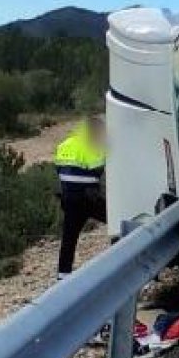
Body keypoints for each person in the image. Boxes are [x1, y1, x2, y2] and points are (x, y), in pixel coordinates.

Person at [54, 117, 107, 279]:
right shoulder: (92, 145)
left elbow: (58, 168)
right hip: (89, 198)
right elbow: (98, 168)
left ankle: (63, 275)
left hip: (68, 197)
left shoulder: (64, 144)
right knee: (117, 221)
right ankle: (126, 259)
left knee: (69, 238)